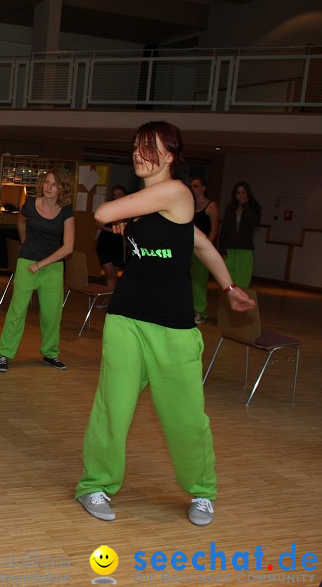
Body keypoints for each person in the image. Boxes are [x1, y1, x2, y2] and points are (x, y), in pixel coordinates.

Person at [74, 121, 255, 526]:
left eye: (149, 148)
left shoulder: (176, 191)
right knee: (112, 408)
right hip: (126, 319)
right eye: (136, 147)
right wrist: (229, 287)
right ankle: (95, 485)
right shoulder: (152, 204)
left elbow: (103, 212)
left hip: (173, 327)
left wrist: (119, 216)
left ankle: (202, 491)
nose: (138, 154)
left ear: (170, 156)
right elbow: (201, 244)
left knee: (185, 416)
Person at [0, 168, 74, 372]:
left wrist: (41, 264)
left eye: (54, 184)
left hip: (52, 267)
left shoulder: (66, 211)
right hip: (27, 263)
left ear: (61, 188)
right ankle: (3, 354)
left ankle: (50, 354)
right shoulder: (29, 205)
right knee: (17, 310)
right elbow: (20, 220)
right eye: (47, 182)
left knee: (51, 314)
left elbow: (68, 247)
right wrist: (24, 240)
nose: (49, 187)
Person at [218, 181, 261, 289]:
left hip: (245, 248)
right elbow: (224, 229)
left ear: (247, 193)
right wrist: (221, 248)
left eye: (243, 192)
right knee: (228, 279)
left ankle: (240, 302)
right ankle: (228, 303)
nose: (241, 195)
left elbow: (253, 222)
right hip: (229, 248)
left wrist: (245, 205)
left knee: (242, 279)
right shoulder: (231, 208)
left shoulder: (254, 207)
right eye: (238, 193)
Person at [189, 177, 219, 324]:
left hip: (202, 249)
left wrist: (207, 248)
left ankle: (200, 311)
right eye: (192, 186)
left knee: (199, 281)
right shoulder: (190, 205)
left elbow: (214, 229)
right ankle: (189, 309)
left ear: (203, 188)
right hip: (188, 248)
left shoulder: (211, 205)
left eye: (195, 186)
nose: (193, 188)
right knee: (187, 279)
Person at [95, 185, 127, 290]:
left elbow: (122, 232)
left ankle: (110, 300)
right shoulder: (108, 209)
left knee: (114, 274)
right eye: (114, 195)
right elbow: (99, 225)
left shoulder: (128, 211)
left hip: (117, 245)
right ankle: (108, 299)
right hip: (104, 245)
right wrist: (101, 231)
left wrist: (105, 228)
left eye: (119, 194)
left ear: (124, 195)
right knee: (109, 274)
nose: (117, 197)